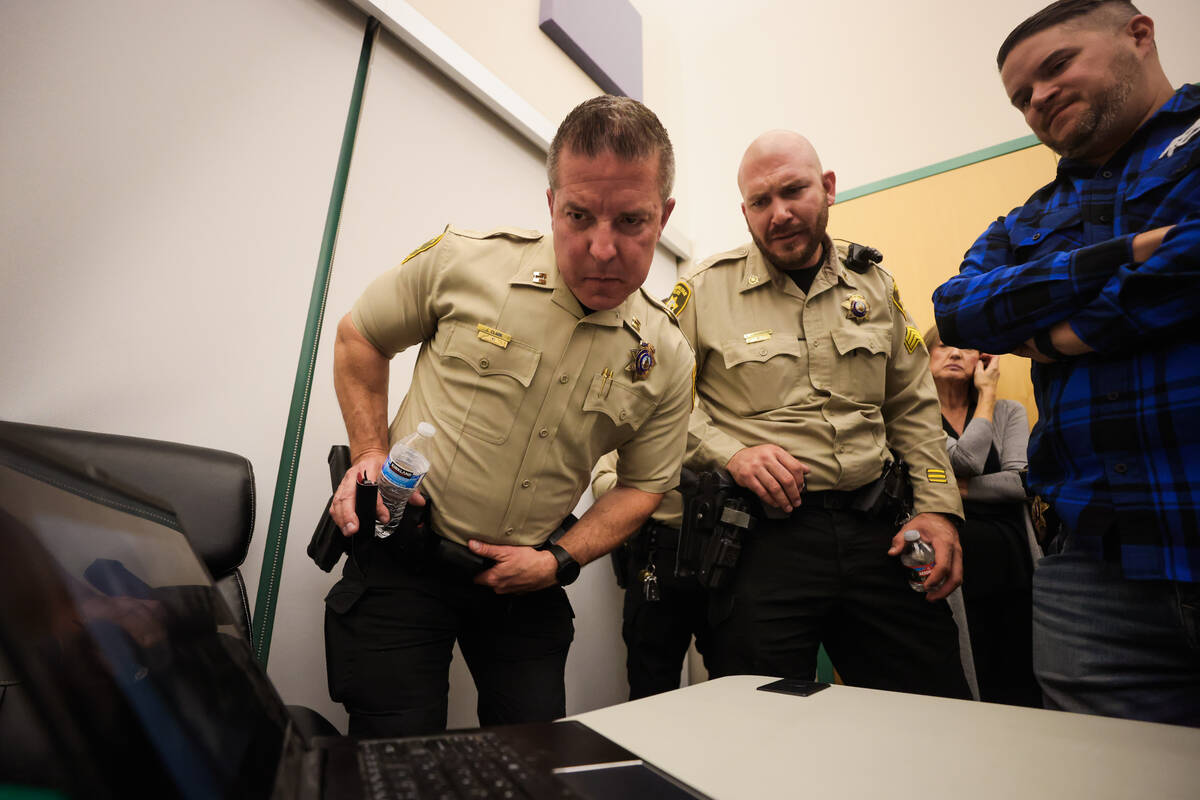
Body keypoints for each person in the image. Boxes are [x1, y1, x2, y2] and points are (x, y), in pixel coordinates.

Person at [324, 95, 695, 736]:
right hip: (404, 556)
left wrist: (559, 562)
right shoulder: (463, 262)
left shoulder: (666, 355)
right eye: (579, 216)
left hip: (525, 586)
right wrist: (368, 453)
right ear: (551, 203)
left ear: (664, 216)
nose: (602, 249)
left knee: (532, 763)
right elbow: (361, 337)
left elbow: (644, 488)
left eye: (632, 221)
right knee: (392, 758)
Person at [932, 0, 1200, 725]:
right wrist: (1133, 253)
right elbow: (959, 306)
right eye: (1020, 97)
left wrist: (1051, 336)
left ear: (1139, 34)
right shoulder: (1025, 219)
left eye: (1055, 67)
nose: (1038, 99)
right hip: (1093, 568)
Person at [669, 129, 970, 698]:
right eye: (761, 202)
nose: (779, 213)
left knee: (934, 710)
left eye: (793, 191)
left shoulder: (875, 285)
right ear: (745, 211)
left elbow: (912, 406)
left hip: (879, 531)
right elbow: (658, 407)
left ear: (827, 188)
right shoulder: (704, 291)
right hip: (762, 543)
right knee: (762, 726)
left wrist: (938, 510)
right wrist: (731, 454)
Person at [925, 326, 1042, 707]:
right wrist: (987, 398)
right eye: (943, 347)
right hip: (950, 572)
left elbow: (1021, 483)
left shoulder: (1009, 411)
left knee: (1021, 678)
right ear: (923, 360)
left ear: (984, 360)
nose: (955, 354)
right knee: (966, 679)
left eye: (966, 347)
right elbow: (968, 459)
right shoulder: (915, 417)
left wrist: (956, 486)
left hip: (1013, 566)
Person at [591, 451, 714, 700]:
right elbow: (602, 484)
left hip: (724, 558)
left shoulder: (726, 416)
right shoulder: (643, 414)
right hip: (657, 559)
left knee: (736, 678)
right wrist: (650, 484)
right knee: (650, 684)